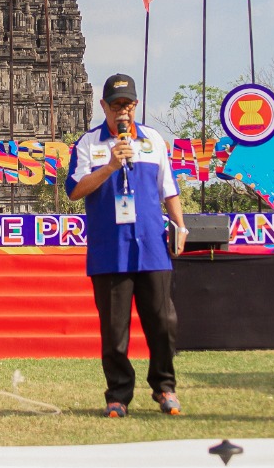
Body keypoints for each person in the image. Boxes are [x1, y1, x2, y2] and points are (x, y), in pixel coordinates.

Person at [67, 74, 188, 418]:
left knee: (163, 321)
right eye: (116, 104)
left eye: (128, 104)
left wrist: (180, 224)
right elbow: (75, 190)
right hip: (111, 248)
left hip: (152, 244)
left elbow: (169, 189)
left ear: (136, 105)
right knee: (115, 330)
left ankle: (165, 387)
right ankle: (118, 394)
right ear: (103, 106)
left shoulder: (153, 140)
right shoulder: (90, 144)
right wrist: (110, 166)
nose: (123, 110)